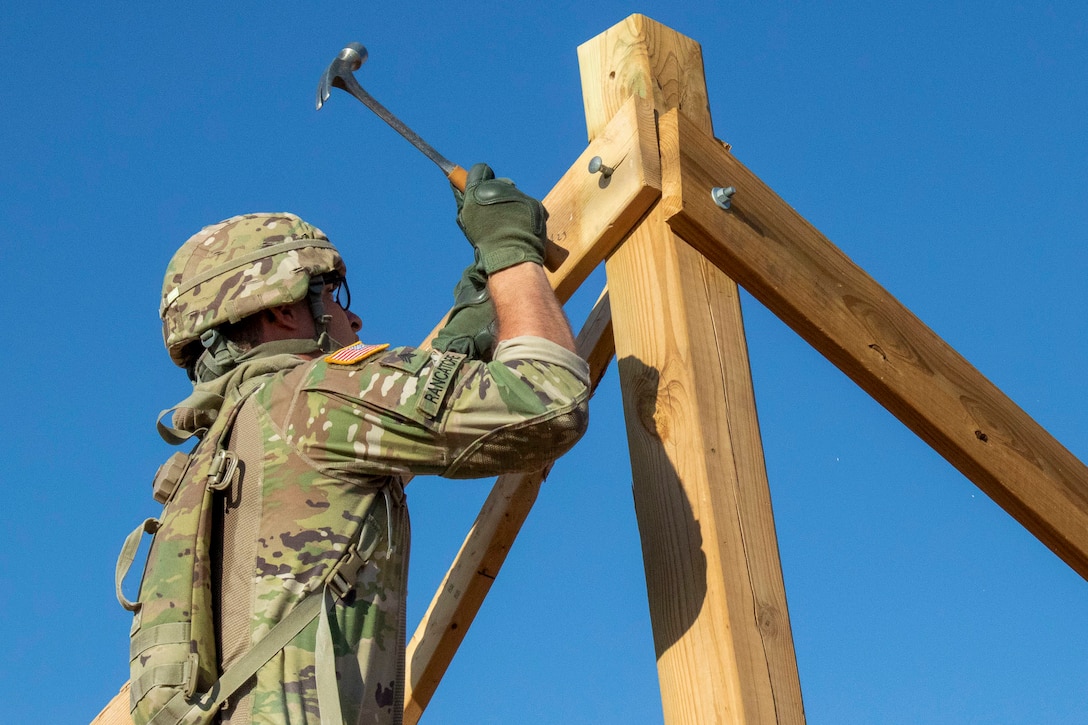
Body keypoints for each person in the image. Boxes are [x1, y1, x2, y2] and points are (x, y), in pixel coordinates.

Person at [130, 164, 589, 725]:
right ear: (281, 306)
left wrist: (474, 320)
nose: (354, 315)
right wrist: (512, 249)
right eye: (334, 295)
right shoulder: (312, 395)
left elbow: (361, 473)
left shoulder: (231, 450)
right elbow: (548, 401)